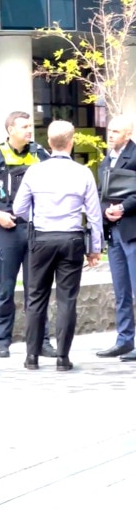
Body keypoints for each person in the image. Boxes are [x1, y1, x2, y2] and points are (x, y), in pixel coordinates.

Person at [13, 120, 102, 371]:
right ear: (71, 142)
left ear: (49, 143)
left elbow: (19, 208)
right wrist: (95, 248)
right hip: (72, 240)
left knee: (36, 297)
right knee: (67, 300)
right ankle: (62, 358)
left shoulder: (34, 171)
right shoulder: (83, 172)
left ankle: (32, 356)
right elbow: (94, 214)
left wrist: (36, 213)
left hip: (41, 239)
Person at [0, 110, 57, 358]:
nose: (29, 130)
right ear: (11, 130)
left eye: (30, 126)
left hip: (35, 230)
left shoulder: (40, 153)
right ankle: (2, 342)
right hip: (7, 229)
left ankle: (42, 342)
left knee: (38, 289)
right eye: (24, 127)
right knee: (5, 290)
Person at [96, 114, 136, 362]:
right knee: (121, 291)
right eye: (109, 131)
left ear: (128, 134)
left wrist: (123, 208)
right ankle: (124, 341)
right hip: (114, 233)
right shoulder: (105, 161)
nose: (110, 135)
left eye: (116, 132)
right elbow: (101, 193)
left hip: (132, 230)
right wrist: (105, 211)